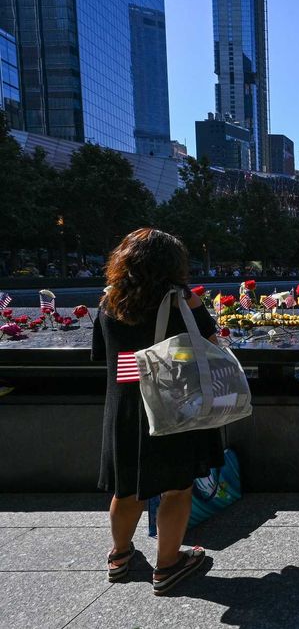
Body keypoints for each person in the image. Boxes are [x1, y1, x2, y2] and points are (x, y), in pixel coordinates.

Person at [92, 228, 224, 593]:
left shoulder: (108, 301)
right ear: (174, 265)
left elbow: (103, 354)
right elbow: (211, 350)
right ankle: (168, 566)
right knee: (177, 488)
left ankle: (119, 558)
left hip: (125, 406)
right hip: (171, 403)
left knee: (127, 486)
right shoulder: (184, 301)